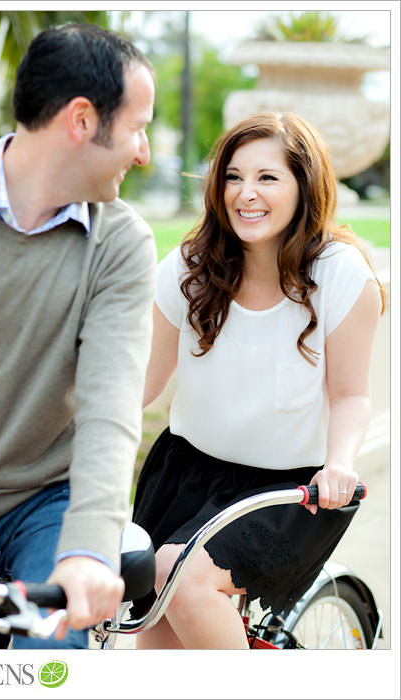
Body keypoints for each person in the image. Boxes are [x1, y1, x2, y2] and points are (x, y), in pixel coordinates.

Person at [132, 111, 384, 649]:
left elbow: (352, 394)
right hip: (187, 470)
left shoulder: (342, 275)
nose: (246, 193)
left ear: (304, 186)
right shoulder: (188, 268)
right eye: (233, 176)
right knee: (154, 642)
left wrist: (339, 464)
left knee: (183, 580)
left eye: (268, 177)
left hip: (288, 489)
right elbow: (142, 384)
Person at [0, 23, 157, 649]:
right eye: (137, 127)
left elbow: (112, 404)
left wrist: (87, 548)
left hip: (46, 507)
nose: (144, 152)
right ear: (81, 121)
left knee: (51, 660)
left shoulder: (121, 242)